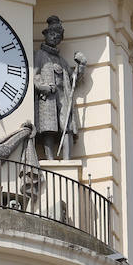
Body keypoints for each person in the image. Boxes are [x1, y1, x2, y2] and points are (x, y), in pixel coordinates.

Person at [33, 15, 85, 160]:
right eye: (52, 34)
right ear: (46, 35)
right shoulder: (40, 55)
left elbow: (72, 78)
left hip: (63, 96)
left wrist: (81, 66)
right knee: (48, 127)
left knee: (66, 126)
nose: (54, 37)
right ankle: (50, 159)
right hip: (48, 97)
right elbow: (34, 76)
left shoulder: (62, 60)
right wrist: (43, 87)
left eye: (58, 35)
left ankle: (67, 159)